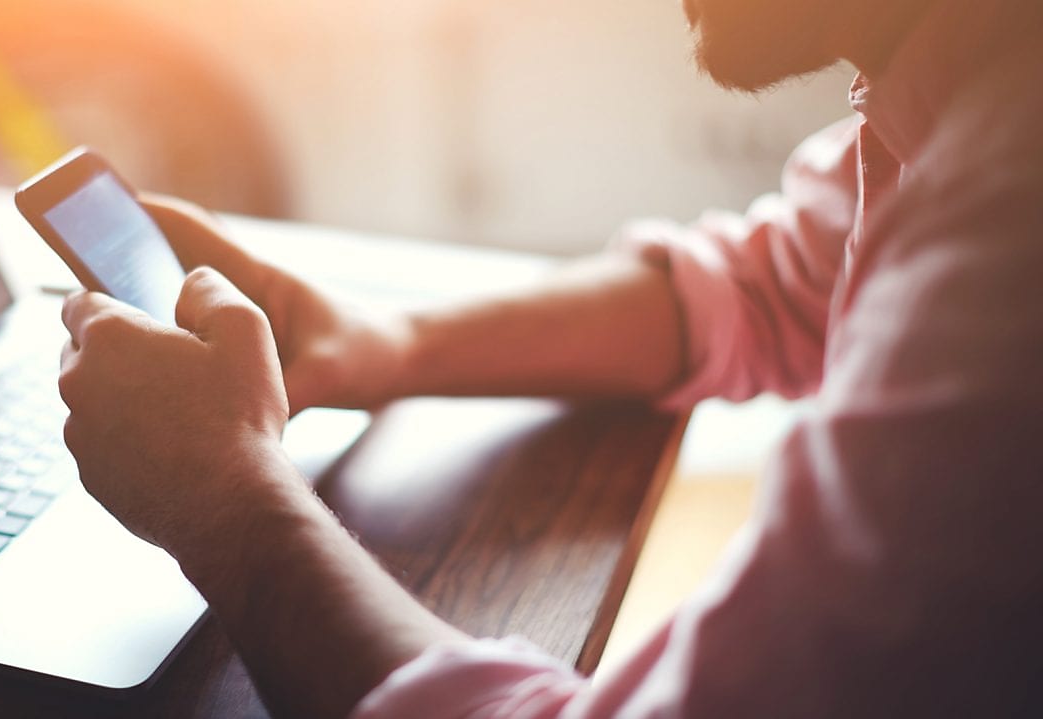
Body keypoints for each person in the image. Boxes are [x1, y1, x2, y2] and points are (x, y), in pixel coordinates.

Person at [56, 0, 1043, 715]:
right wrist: (381, 344)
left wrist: (226, 501)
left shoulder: (1009, 223)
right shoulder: (972, 85)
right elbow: (777, 280)